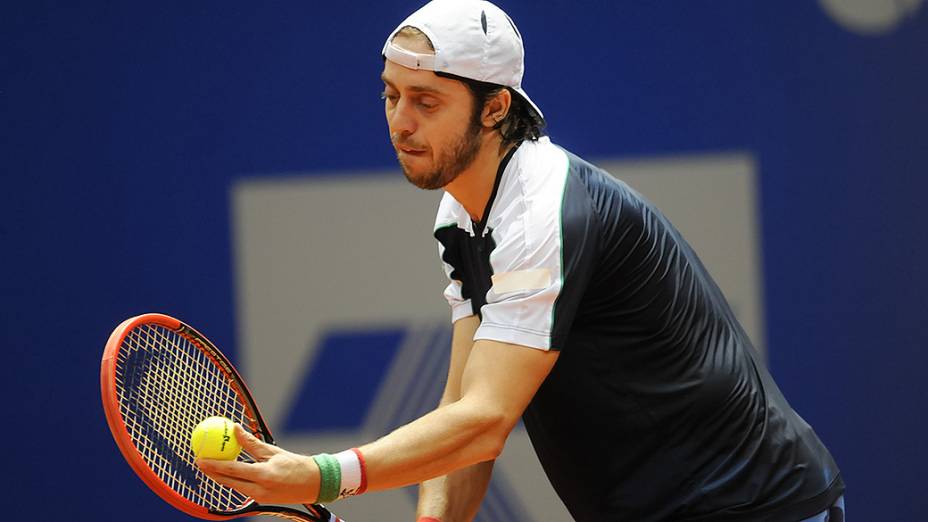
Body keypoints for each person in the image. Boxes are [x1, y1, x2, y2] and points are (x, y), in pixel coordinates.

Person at [197, 1, 846, 520]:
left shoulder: (544, 211)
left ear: (495, 107)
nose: (400, 121)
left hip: (752, 504)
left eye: (427, 102)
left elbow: (482, 426)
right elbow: (463, 408)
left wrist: (323, 477)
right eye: (391, 94)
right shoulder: (461, 214)